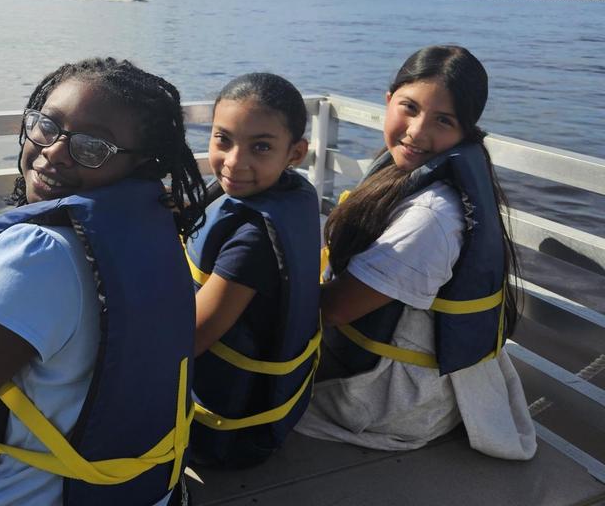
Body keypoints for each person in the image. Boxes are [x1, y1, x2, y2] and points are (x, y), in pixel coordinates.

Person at [0, 57, 209, 505]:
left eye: (93, 146)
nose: (55, 150)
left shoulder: (42, 255)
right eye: (47, 125)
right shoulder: (153, 223)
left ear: (142, 166)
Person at [296, 46, 536, 459]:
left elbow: (333, 309)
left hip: (388, 398)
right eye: (409, 107)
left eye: (444, 120)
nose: (417, 132)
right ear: (388, 101)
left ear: (466, 131)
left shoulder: (432, 218)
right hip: (386, 367)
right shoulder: (403, 168)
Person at [184, 73, 320, 467]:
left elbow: (187, 340)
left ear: (295, 154)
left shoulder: (253, 243)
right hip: (261, 415)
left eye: (261, 147)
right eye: (222, 139)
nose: (235, 162)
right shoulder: (280, 195)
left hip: (224, 436)